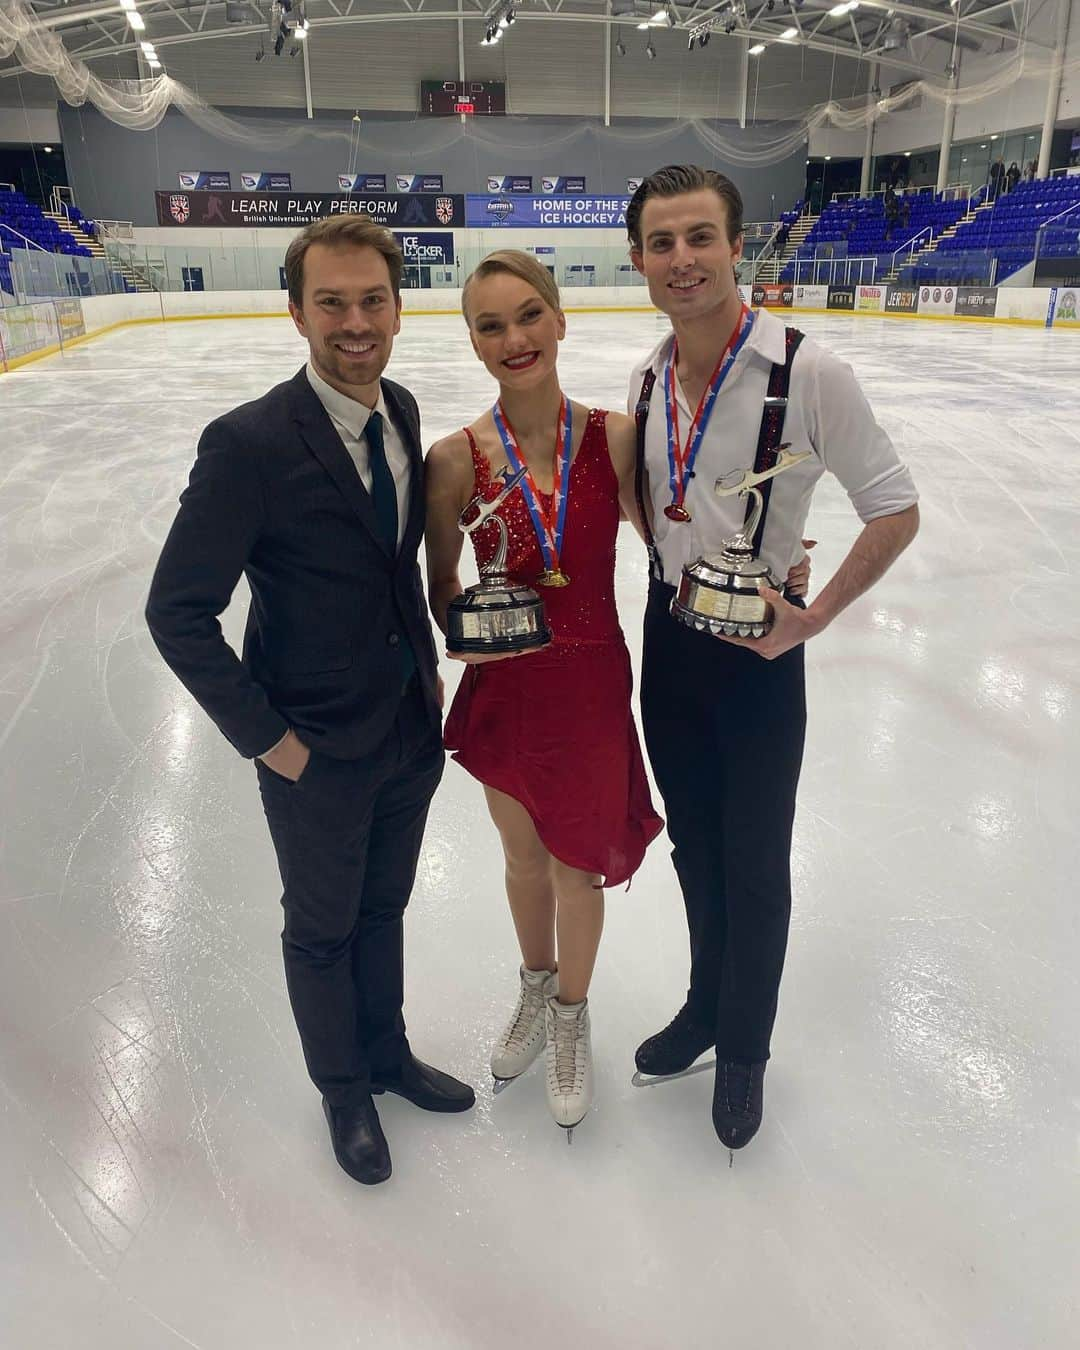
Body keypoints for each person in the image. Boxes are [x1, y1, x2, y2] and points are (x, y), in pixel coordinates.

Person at [424, 250, 810, 1136]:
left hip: (592, 686)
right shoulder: (453, 459)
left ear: (560, 320)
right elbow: (443, 586)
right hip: (507, 692)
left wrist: (773, 553)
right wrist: (465, 628)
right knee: (523, 859)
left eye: (529, 316)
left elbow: (675, 526)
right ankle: (532, 991)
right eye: (491, 325)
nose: (514, 338)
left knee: (576, 867)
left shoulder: (614, 437)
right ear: (474, 342)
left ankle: (571, 1013)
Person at [145, 216, 474, 1188]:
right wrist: (271, 742)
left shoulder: (404, 410)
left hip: (410, 729)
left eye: (372, 299)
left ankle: (388, 1055)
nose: (354, 321)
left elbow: (392, 568)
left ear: (399, 308)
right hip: (315, 751)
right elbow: (176, 612)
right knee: (323, 929)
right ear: (296, 312)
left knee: (385, 910)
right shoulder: (247, 444)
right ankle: (344, 1089)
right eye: (331, 302)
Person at [625, 165, 920, 1154]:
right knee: (694, 848)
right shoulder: (646, 379)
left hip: (758, 655)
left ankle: (743, 1050)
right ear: (638, 260)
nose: (683, 259)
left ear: (735, 246)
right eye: (662, 242)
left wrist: (818, 612)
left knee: (753, 862)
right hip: (670, 643)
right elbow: (650, 507)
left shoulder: (811, 371)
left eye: (699, 237)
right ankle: (707, 1005)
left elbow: (895, 505)